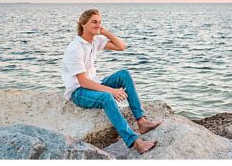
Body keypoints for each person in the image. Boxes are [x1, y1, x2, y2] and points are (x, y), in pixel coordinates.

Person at [61, 9, 162, 154]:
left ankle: (142, 121)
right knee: (107, 98)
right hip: (79, 92)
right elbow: (83, 82)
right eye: (94, 22)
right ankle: (134, 141)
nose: (98, 25)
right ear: (83, 24)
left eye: (100, 22)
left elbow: (121, 46)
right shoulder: (75, 48)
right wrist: (111, 91)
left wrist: (105, 32)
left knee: (124, 74)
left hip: (94, 83)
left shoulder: (94, 41)